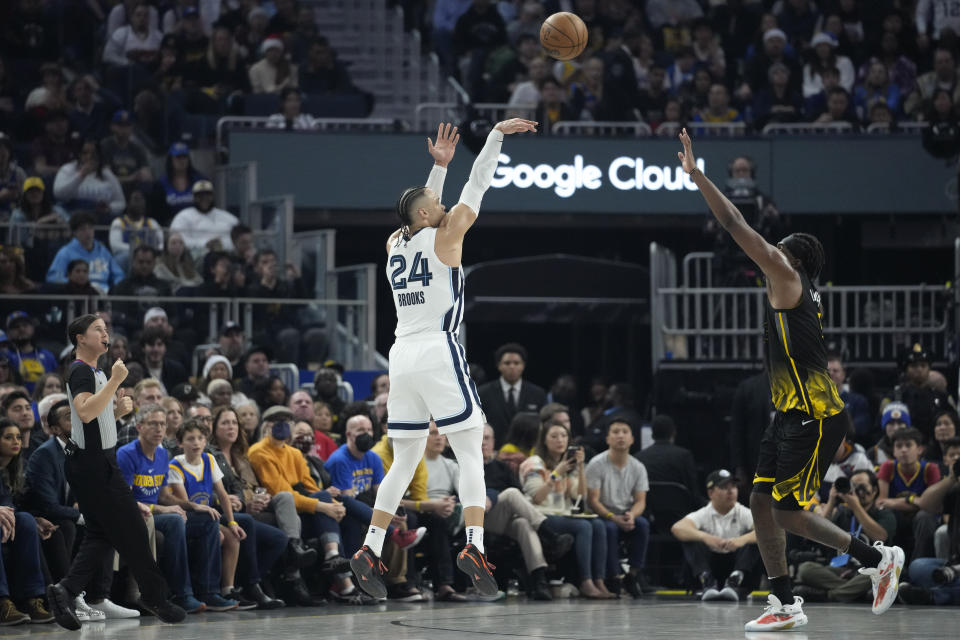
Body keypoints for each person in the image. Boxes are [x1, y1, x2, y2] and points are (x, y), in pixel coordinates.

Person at [676, 129, 903, 631]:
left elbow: (735, 223)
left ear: (791, 258)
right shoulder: (796, 289)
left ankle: (875, 559)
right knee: (759, 501)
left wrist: (698, 177)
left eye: (777, 247)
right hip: (790, 416)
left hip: (815, 416)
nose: (768, 251)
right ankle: (784, 603)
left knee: (788, 513)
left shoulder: (785, 275)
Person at [350, 119, 537, 600]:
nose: (444, 204)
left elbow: (418, 209)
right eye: (437, 204)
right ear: (428, 214)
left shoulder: (394, 244)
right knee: (470, 447)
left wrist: (436, 169)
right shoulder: (447, 231)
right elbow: (478, 184)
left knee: (405, 459)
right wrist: (494, 136)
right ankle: (474, 544)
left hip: (400, 356)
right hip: (437, 347)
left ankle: (370, 547)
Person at [45, 315, 186, 630]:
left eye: (106, 329)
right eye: (98, 329)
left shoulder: (92, 371)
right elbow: (82, 410)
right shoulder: (81, 369)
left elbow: (90, 416)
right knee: (134, 529)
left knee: (101, 534)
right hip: (95, 463)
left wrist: (115, 411)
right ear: (80, 338)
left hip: (94, 461)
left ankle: (65, 591)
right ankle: (154, 596)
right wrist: (114, 382)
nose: (105, 333)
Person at [115, 405, 227, 613]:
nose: (159, 429)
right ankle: (182, 594)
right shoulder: (127, 454)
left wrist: (192, 506)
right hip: (135, 515)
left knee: (208, 519)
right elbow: (125, 499)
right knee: (175, 520)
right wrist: (164, 510)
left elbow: (165, 496)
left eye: (162, 424)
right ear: (139, 427)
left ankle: (210, 592)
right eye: (153, 424)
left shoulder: (162, 455)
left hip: (155, 513)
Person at [521, 419, 612, 598]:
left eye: (563, 436)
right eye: (554, 436)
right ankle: (585, 582)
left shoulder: (568, 465)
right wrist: (557, 473)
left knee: (599, 525)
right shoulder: (533, 463)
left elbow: (579, 496)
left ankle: (599, 580)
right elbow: (537, 498)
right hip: (541, 516)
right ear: (544, 440)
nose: (560, 440)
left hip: (563, 515)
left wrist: (579, 466)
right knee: (584, 527)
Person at [794, 469, 898, 604]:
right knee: (806, 569)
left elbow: (880, 536)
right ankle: (852, 593)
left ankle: (828, 595)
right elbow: (819, 532)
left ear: (874, 490)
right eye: (853, 486)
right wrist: (831, 501)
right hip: (841, 570)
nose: (856, 491)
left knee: (876, 576)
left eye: (862, 486)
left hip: (871, 570)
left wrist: (856, 507)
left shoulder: (884, 513)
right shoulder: (843, 512)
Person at [671, 469, 762, 601]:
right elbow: (677, 528)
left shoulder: (743, 512)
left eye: (733, 487)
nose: (730, 491)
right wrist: (706, 537)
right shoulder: (703, 513)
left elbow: (768, 531)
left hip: (735, 564)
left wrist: (742, 540)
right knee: (690, 538)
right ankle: (706, 579)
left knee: (755, 539)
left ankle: (736, 579)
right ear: (711, 493)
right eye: (724, 487)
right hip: (712, 565)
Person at [586, 420, 651, 598]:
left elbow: (640, 501)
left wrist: (631, 515)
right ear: (607, 439)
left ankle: (634, 575)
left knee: (642, 525)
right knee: (610, 528)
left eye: (624, 432)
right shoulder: (596, 464)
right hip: (602, 514)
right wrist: (612, 517)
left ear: (632, 439)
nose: (620, 436)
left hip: (625, 513)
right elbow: (593, 500)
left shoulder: (638, 467)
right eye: (615, 432)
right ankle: (614, 577)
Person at [876, 427, 941, 561]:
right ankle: (888, 563)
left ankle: (918, 564)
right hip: (898, 517)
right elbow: (881, 502)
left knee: (925, 516)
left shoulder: (930, 469)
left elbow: (933, 506)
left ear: (919, 449)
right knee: (887, 514)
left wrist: (896, 502)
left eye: (908, 445)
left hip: (921, 519)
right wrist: (916, 501)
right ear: (893, 451)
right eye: (899, 446)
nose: (903, 450)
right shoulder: (888, 467)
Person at [478, 343, 548, 444]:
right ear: (499, 366)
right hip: (494, 452)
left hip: (529, 450)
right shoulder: (483, 393)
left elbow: (544, 425)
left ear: (523, 365)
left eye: (516, 363)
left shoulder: (538, 394)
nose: (512, 367)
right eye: (507, 363)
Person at [46, 212, 125, 294]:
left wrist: (117, 287)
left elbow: (119, 275)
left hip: (104, 294)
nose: (88, 232)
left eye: (90, 228)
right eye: (82, 229)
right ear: (75, 233)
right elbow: (53, 278)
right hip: (79, 293)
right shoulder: (65, 252)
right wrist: (74, 283)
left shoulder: (103, 250)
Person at [53, 138, 126, 217]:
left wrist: (110, 208)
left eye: (93, 153)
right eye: (85, 153)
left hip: (99, 216)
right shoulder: (68, 169)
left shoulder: (107, 174)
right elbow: (59, 194)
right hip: (71, 214)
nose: (89, 157)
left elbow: (121, 203)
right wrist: (81, 176)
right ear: (79, 154)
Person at [634, 414, 699, 498]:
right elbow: (693, 492)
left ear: (652, 434)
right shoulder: (684, 456)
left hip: (647, 509)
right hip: (681, 509)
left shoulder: (638, 457)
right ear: (673, 432)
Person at [4, 311, 56, 395]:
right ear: (8, 332)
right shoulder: (6, 357)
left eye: (25, 325)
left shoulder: (48, 356)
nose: (21, 329)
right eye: (16, 327)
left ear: (32, 328)